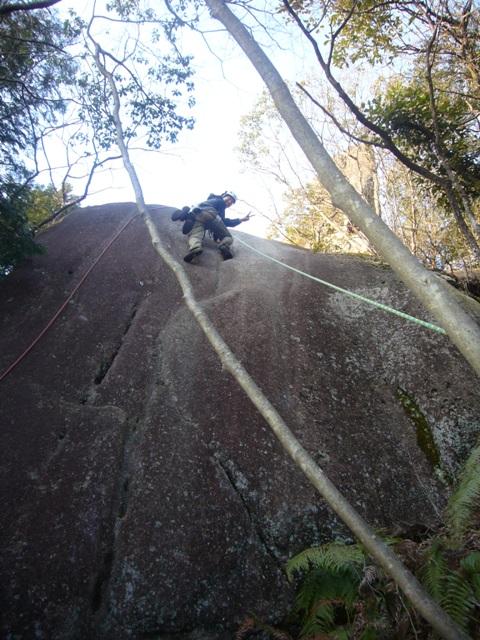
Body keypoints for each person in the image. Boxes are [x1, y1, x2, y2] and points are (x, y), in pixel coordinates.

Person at [171, 191, 251, 263]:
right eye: (229, 198)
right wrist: (240, 220)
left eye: (232, 202)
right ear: (223, 196)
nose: (230, 202)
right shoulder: (220, 202)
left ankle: (195, 248)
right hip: (211, 214)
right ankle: (223, 246)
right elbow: (223, 222)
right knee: (228, 237)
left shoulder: (209, 201)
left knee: (195, 234)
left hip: (198, 214)